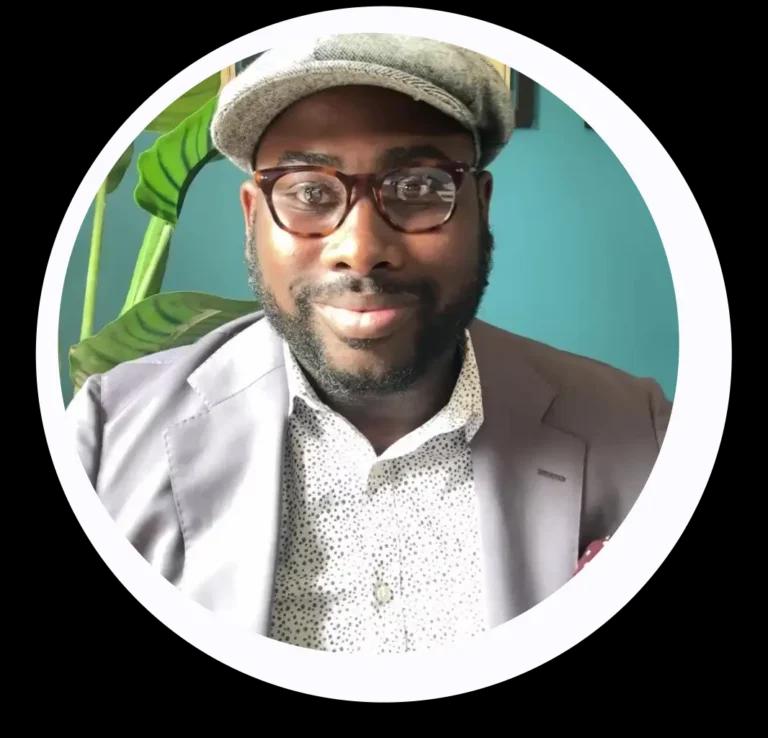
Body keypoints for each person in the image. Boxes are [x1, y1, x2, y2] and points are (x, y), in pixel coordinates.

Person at [67, 33, 672, 654]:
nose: (360, 248)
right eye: (308, 192)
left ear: (480, 208)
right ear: (251, 216)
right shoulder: (105, 439)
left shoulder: (644, 432)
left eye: (418, 187)